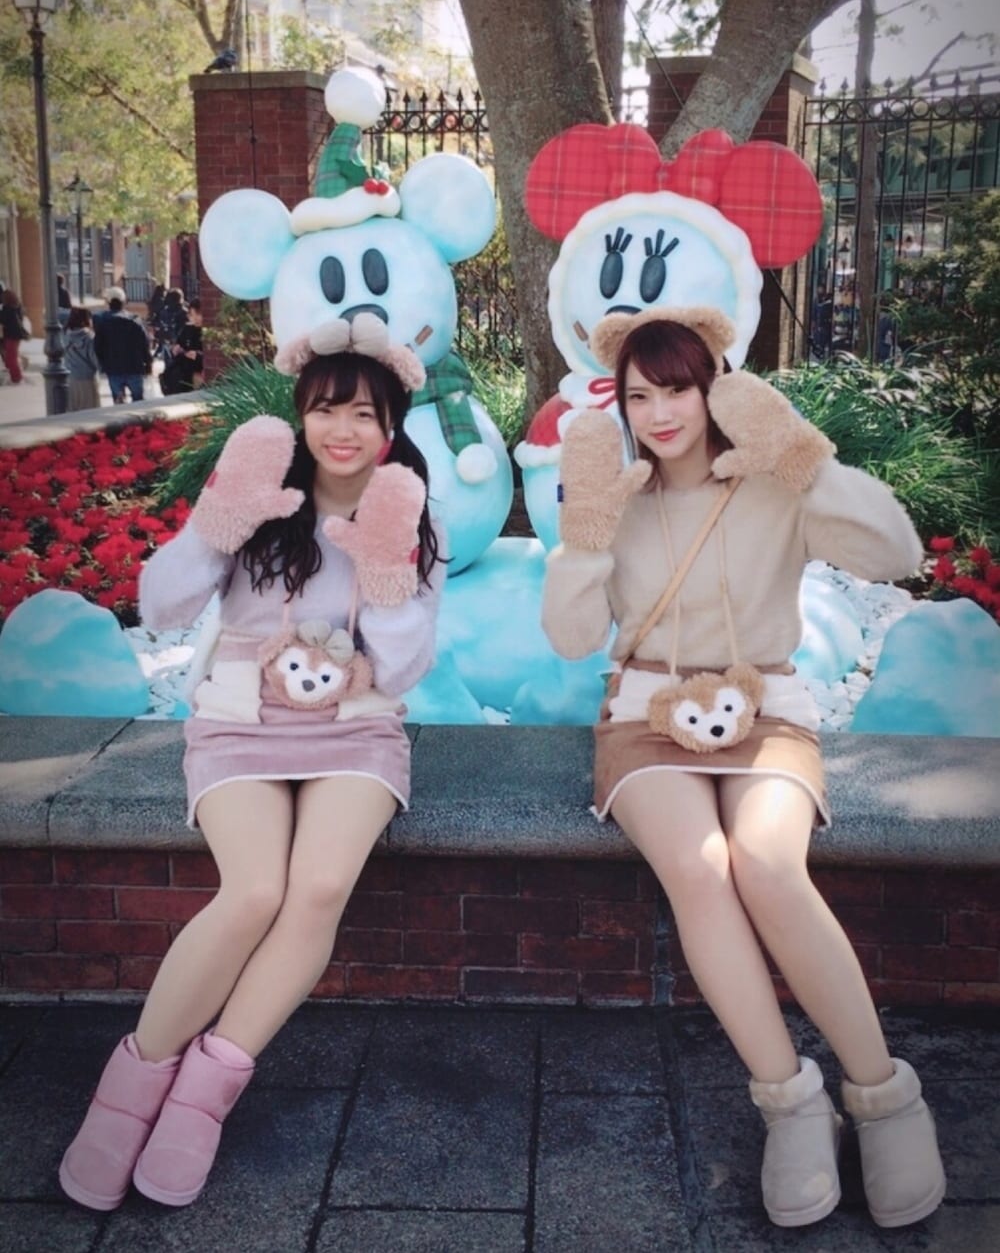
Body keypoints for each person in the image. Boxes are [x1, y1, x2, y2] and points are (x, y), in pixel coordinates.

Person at [542, 306, 945, 1232]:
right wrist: (587, 531)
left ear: (716, 389)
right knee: (700, 867)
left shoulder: (771, 486)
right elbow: (569, 639)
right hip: (647, 716)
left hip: (764, 708)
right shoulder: (619, 494)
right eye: (638, 396)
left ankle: (885, 1096)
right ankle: (790, 1100)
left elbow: (899, 553)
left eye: (676, 389)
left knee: (765, 861)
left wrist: (802, 456)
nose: (658, 413)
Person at [58, 315, 445, 1212]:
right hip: (240, 720)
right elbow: (159, 607)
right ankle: (130, 1086)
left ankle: (202, 1094)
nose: (342, 430)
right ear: (300, 415)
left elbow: (402, 671)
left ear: (391, 425)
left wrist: (385, 571)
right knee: (254, 891)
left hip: (353, 726)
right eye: (325, 409)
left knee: (317, 888)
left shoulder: (406, 512)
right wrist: (218, 524)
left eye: (364, 413)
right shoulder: (262, 495)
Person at [94, 286, 152, 403]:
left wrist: (102, 364)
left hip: (113, 367)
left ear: (108, 302)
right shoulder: (135, 320)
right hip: (134, 366)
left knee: (119, 403)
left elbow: (98, 347)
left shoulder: (102, 321)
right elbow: (144, 344)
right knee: (138, 401)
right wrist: (148, 363)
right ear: (124, 301)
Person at [161, 297, 203, 394]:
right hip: (182, 370)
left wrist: (197, 355)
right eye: (191, 314)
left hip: (197, 371)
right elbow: (180, 343)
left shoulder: (209, 331)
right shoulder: (187, 329)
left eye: (195, 314)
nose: (192, 318)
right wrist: (176, 349)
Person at [63, 307, 101, 411]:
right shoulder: (88, 337)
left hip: (71, 378)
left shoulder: (66, 335)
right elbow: (95, 358)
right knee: (90, 413)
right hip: (87, 379)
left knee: (73, 412)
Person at [0, 287, 29, 385]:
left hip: (11, 335)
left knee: (10, 358)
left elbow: (3, 320)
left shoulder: (7, 309)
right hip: (16, 335)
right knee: (11, 356)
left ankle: (17, 377)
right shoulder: (17, 307)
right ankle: (16, 375)